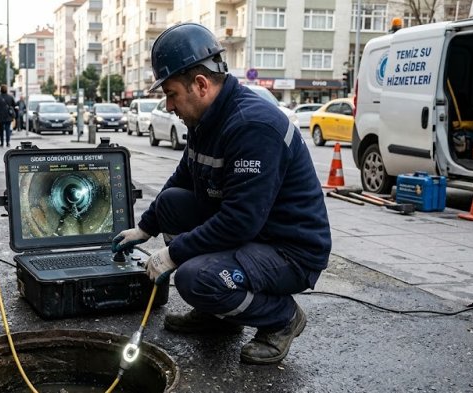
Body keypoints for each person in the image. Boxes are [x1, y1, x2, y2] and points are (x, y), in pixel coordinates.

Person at [111, 23, 331, 365]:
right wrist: (146, 227)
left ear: (200, 85)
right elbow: (183, 177)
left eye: (171, 94)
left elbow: (240, 221)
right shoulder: (206, 119)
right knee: (170, 205)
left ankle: (282, 318)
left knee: (194, 277)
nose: (168, 106)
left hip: (288, 249)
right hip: (255, 233)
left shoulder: (251, 127)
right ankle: (217, 315)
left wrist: (173, 254)